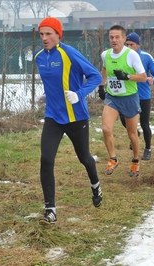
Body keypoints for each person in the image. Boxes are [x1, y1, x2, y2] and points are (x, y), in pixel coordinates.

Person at [34, 17, 103, 225]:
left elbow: (96, 76)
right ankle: (50, 210)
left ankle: (95, 185)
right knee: (46, 159)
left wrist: (79, 94)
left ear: (58, 35)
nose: (44, 38)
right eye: (41, 34)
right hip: (53, 117)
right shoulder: (39, 57)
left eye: (48, 34)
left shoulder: (69, 53)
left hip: (76, 116)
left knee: (85, 158)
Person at [99, 25, 147, 177]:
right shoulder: (105, 54)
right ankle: (113, 159)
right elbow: (105, 69)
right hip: (112, 97)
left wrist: (127, 76)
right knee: (106, 129)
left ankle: (135, 161)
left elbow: (143, 77)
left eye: (117, 37)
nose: (114, 40)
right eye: (111, 37)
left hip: (129, 97)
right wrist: (102, 85)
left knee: (132, 134)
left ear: (124, 39)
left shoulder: (131, 55)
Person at [119, 32, 154, 160]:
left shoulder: (146, 57)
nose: (129, 47)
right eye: (127, 44)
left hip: (143, 95)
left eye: (132, 44)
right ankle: (135, 134)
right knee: (123, 119)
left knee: (144, 123)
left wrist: (153, 79)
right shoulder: (122, 56)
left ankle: (148, 148)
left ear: (138, 45)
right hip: (127, 94)